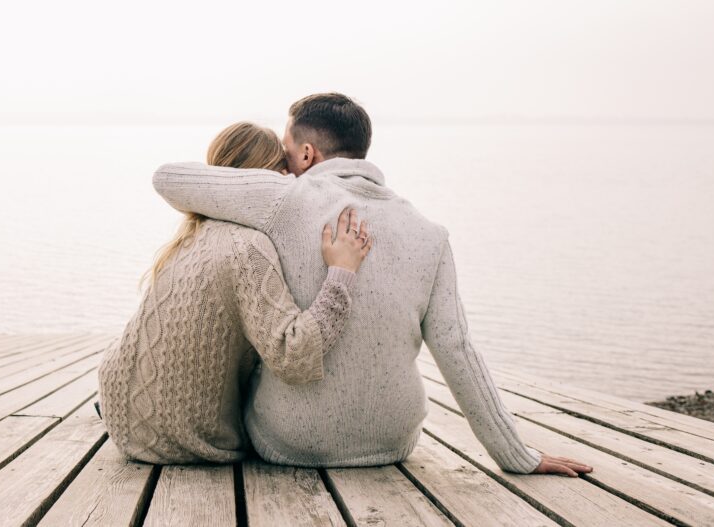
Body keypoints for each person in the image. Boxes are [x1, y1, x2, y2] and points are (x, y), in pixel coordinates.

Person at [152, 93, 594, 477]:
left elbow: (168, 178)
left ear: (306, 154)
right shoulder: (430, 233)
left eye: (286, 156)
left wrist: (265, 182)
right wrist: (518, 455)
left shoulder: (284, 200)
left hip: (288, 444)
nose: (282, 169)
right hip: (392, 444)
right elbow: (457, 349)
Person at [97, 121, 372, 464]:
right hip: (181, 438)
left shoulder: (190, 235)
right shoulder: (249, 247)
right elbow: (293, 357)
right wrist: (341, 274)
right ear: (262, 179)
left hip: (120, 411)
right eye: (282, 172)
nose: (291, 181)